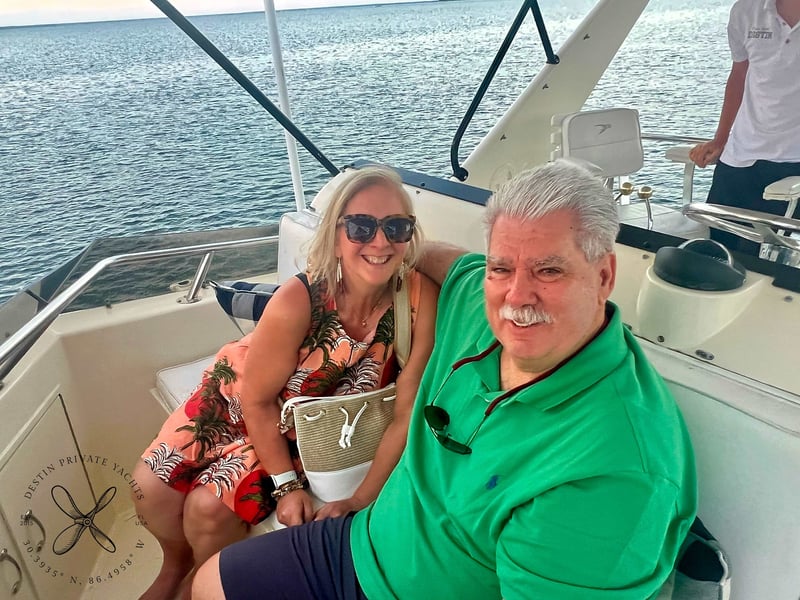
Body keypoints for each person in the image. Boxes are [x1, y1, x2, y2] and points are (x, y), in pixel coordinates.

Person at [191, 159, 697, 600]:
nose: (517, 297)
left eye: (549, 271)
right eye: (502, 268)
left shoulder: (615, 472)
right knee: (210, 583)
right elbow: (445, 261)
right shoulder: (475, 303)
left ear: (604, 276)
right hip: (362, 541)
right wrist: (389, 254)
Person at [132, 165, 438, 600]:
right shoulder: (299, 299)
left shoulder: (419, 299)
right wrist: (288, 487)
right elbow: (255, 400)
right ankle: (175, 564)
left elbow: (406, 413)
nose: (380, 241)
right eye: (361, 226)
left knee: (207, 509)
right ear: (335, 235)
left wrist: (360, 499)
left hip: (309, 424)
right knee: (150, 488)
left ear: (409, 234)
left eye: (396, 227)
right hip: (242, 397)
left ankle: (197, 579)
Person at [689, 0, 800, 255]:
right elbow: (739, 75)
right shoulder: (745, 11)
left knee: (778, 260)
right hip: (740, 157)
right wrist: (720, 139)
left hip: (795, 161)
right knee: (718, 252)